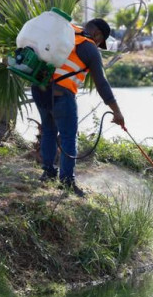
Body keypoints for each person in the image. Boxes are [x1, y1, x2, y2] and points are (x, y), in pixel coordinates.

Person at [32, 18, 126, 196]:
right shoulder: (88, 47)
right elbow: (102, 84)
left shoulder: (66, 32)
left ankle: (48, 173)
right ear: (97, 34)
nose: (98, 45)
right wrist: (117, 112)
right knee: (69, 137)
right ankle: (67, 181)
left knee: (49, 130)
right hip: (61, 94)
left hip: (39, 89)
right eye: (100, 41)